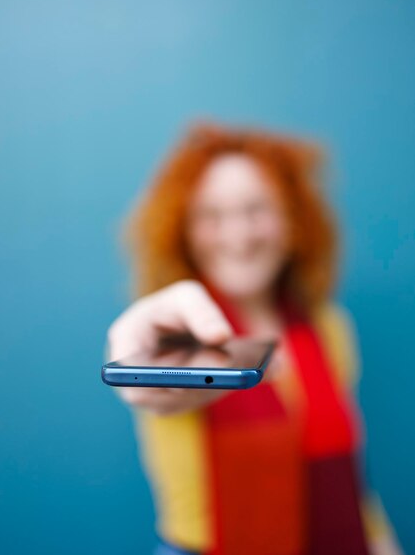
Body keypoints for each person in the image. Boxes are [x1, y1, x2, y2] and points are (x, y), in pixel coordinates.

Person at [107, 123, 402, 555]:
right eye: (211, 216)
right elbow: (149, 387)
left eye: (257, 209)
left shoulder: (328, 328)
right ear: (184, 230)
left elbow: (351, 479)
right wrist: (135, 357)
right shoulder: (173, 333)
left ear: (292, 220)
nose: (238, 236)